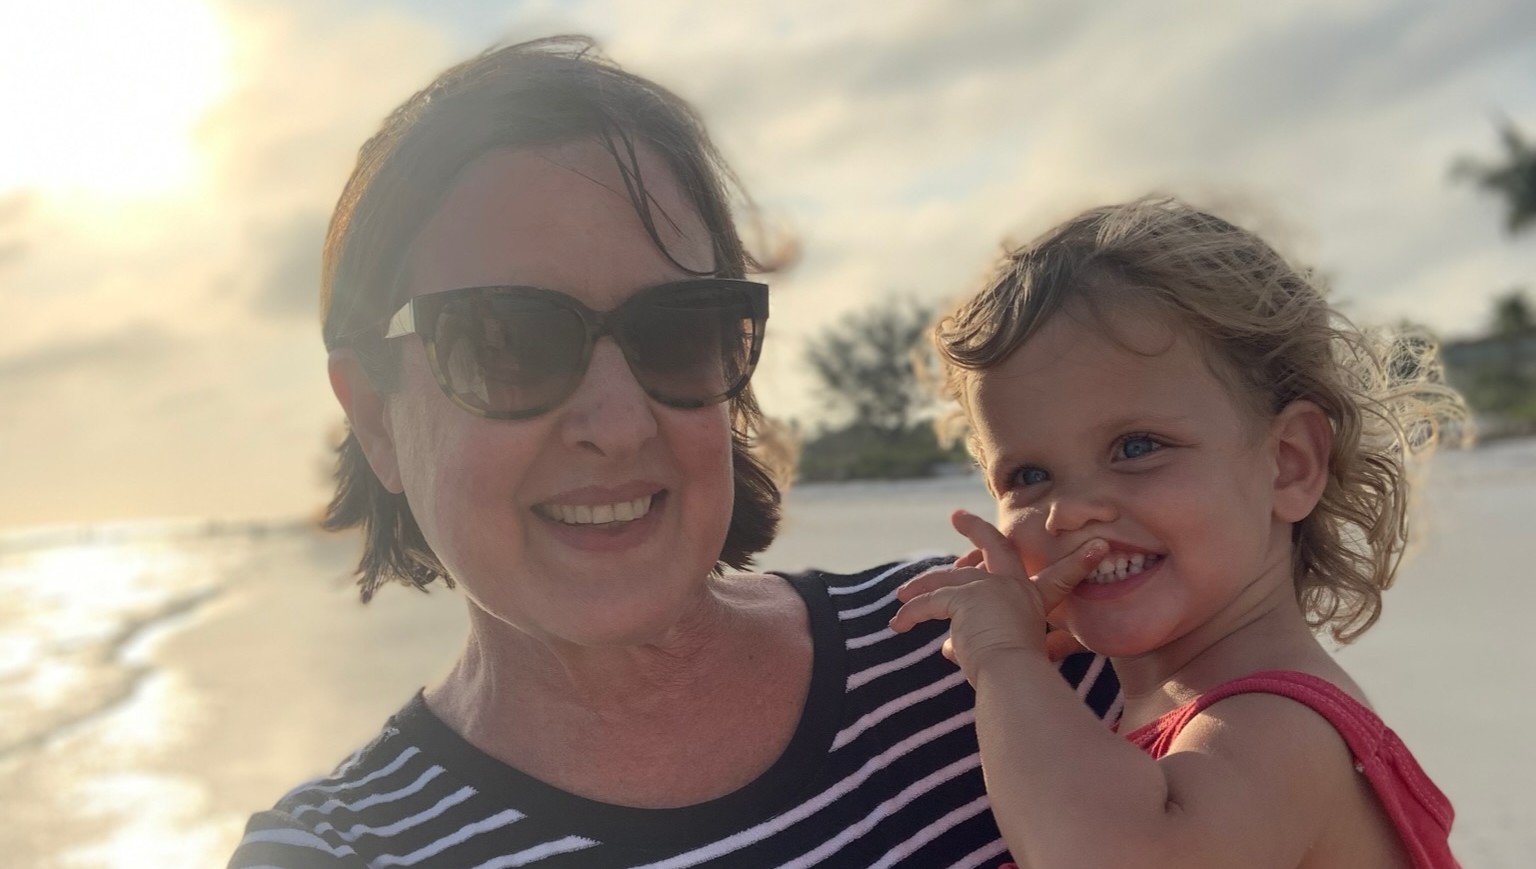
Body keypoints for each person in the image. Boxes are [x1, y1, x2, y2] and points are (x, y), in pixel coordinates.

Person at [226, 36, 1119, 868]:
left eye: (676, 331)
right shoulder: (331, 851)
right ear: (377, 416)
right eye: (507, 342)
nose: (617, 422)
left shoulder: (989, 649)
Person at [891, 197, 1467, 868]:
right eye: (1029, 474)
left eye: (1136, 446)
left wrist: (1005, 662)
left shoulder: (1281, 729)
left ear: (1289, 463)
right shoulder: (1136, 718)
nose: (1069, 511)